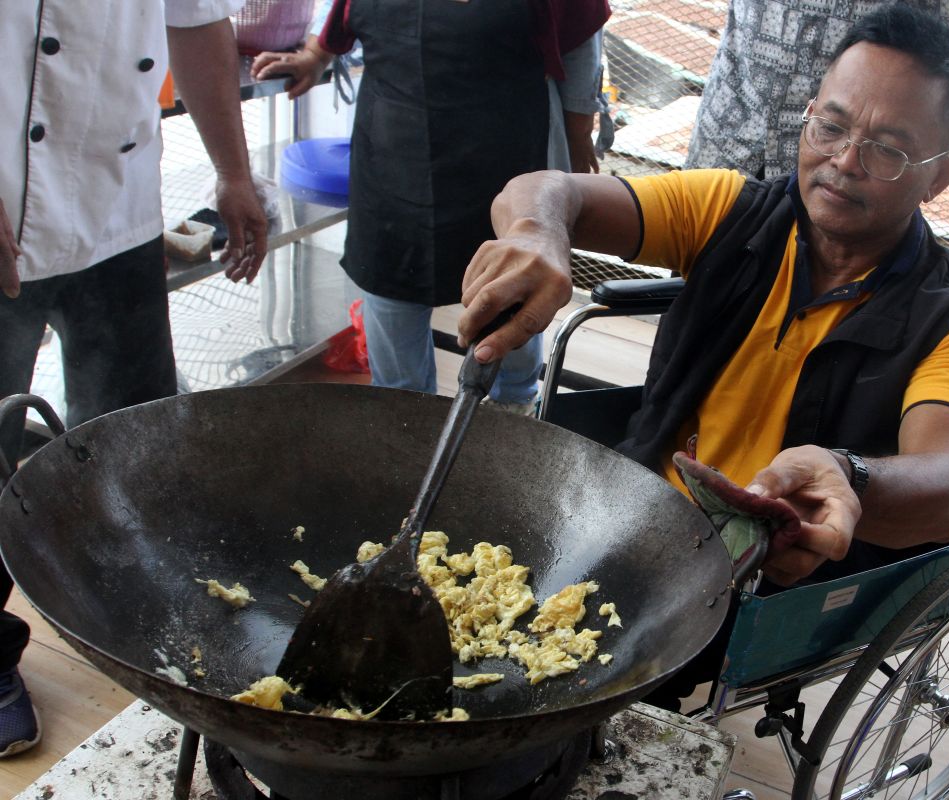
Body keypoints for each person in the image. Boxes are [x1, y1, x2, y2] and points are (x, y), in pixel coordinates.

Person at [457, 3, 949, 706]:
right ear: (807, 114)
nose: (843, 163)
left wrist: (848, 476)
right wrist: (538, 233)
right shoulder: (732, 210)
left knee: (564, 689)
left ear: (941, 175)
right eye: (830, 126)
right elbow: (545, 190)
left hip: (763, 575)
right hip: (641, 509)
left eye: (889, 150)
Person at [0, 0, 268, 755]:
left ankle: (132, 619)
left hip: (115, 206)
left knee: (136, 440)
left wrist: (234, 172)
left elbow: (196, 21)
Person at [249, 0, 609, 414]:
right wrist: (315, 55)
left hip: (507, 153)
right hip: (392, 161)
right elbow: (342, 13)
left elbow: (582, 40)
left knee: (512, 288)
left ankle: (514, 406)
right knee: (389, 291)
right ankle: (407, 420)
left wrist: (579, 136)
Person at [685, 0, 949, 179]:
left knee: (799, 257)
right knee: (698, 241)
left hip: (832, 151)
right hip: (729, 124)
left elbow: (935, 60)